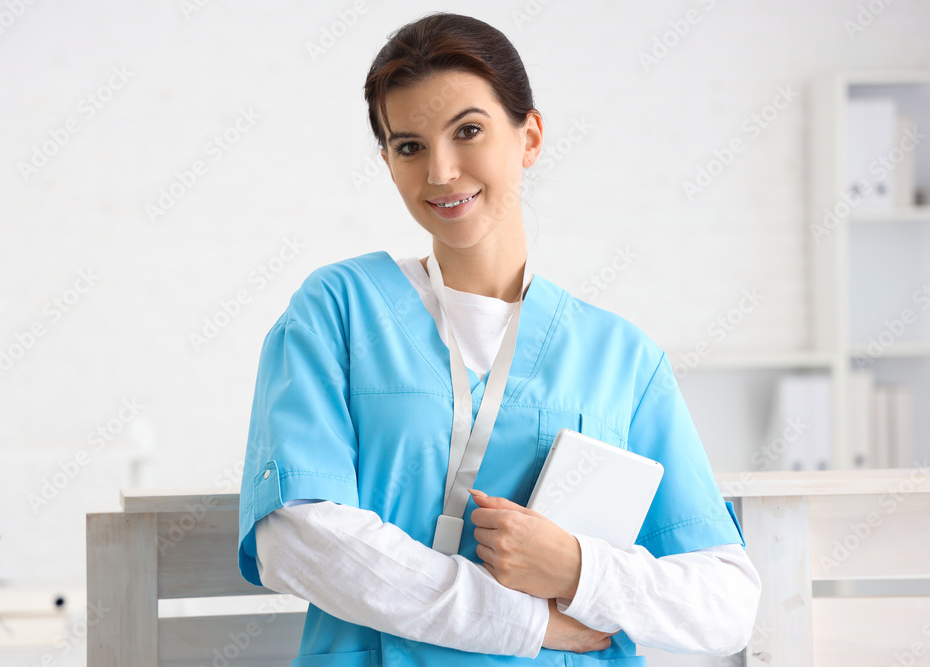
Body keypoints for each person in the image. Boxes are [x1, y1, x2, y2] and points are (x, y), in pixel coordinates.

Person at [237, 11, 760, 666]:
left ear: (530, 136)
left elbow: (727, 602)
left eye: (469, 131)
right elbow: (296, 537)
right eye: (410, 146)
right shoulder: (337, 311)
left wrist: (577, 569)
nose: (441, 171)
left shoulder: (621, 359)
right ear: (388, 162)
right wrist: (523, 621)